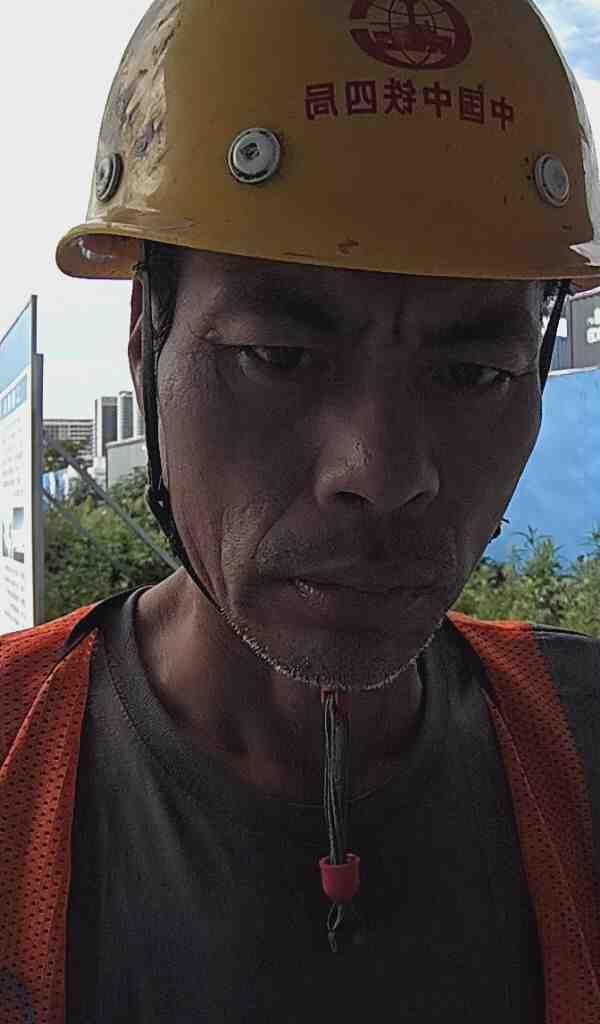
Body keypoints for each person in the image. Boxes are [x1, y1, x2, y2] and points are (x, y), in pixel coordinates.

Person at [2, 1, 600, 1021]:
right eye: (277, 356)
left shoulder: (582, 743)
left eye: (474, 371)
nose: (383, 471)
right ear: (146, 342)